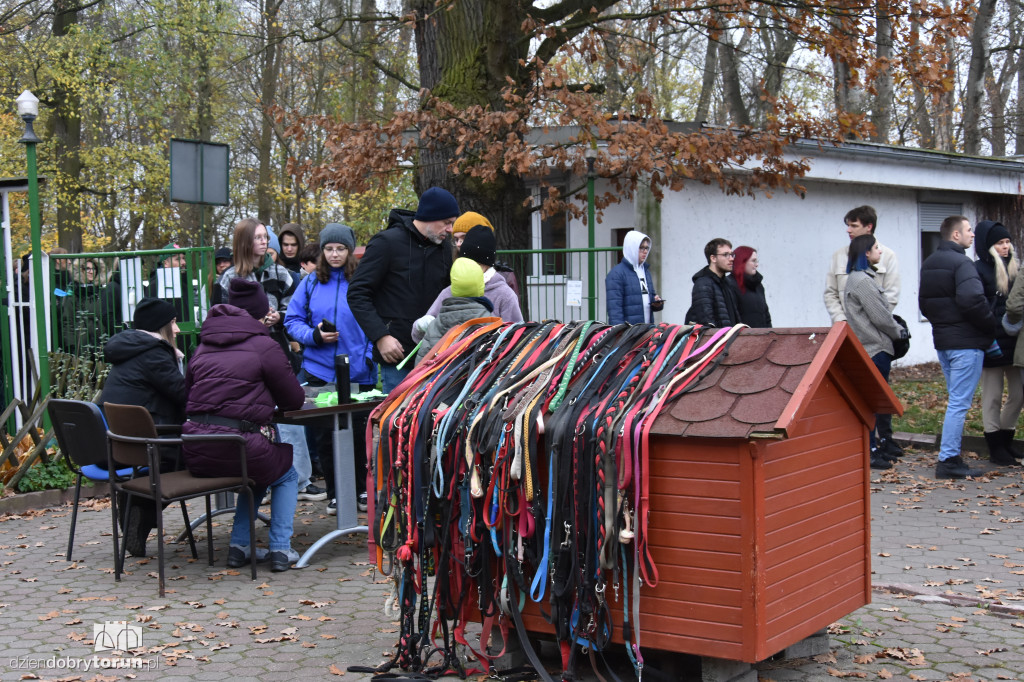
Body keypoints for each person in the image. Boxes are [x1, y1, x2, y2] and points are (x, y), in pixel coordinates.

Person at [182, 278, 306, 572]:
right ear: (262, 313)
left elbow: (188, 395)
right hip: (238, 444)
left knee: (262, 471)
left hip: (197, 447)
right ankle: (279, 549)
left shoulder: (202, 347)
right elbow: (294, 400)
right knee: (286, 474)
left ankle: (240, 546)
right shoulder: (264, 345)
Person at [285, 223, 376, 513]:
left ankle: (362, 490)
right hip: (320, 368)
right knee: (326, 434)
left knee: (359, 432)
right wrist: (313, 336)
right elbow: (292, 320)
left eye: (340, 249)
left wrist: (371, 354)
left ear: (349, 251)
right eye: (329, 249)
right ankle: (335, 492)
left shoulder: (364, 280)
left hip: (359, 369)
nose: (334, 254)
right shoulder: (311, 283)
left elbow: (379, 320)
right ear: (322, 251)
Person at [347, 186, 458, 392]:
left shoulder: (444, 249)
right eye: (446, 222)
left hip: (436, 356)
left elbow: (448, 296)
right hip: (397, 356)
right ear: (430, 215)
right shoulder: (386, 243)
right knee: (398, 422)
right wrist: (380, 337)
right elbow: (357, 293)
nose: (450, 229)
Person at [99, 297, 186, 557]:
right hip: (144, 444)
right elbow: (183, 395)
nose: (178, 329)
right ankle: (137, 507)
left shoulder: (130, 349)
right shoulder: (154, 354)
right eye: (173, 322)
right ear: (161, 327)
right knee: (194, 459)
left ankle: (135, 503)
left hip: (117, 444)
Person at [919, 215, 997, 479]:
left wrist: (945, 324)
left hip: (944, 343)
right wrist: (990, 328)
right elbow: (973, 300)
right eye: (968, 230)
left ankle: (950, 457)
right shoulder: (963, 263)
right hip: (966, 344)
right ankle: (948, 460)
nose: (972, 235)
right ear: (955, 235)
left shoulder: (929, 263)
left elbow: (924, 305)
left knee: (956, 401)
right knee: (959, 403)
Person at [843, 235, 907, 470]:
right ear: (866, 253)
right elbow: (880, 316)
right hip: (874, 348)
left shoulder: (861, 278)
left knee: (877, 401)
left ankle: (877, 446)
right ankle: (869, 450)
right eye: (876, 248)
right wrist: (899, 331)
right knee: (873, 402)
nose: (880, 251)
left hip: (872, 347)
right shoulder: (862, 281)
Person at [973, 220, 1023, 466]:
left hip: (1015, 343)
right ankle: (995, 445)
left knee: (1019, 393)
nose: (1005, 247)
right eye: (1000, 243)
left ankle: (1006, 438)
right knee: (992, 396)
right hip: (991, 342)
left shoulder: (1015, 268)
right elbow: (978, 306)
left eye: (1007, 242)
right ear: (988, 246)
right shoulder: (978, 270)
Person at [418, 224, 523, 325]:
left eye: (477, 265)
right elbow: (421, 335)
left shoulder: (504, 295)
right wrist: (424, 325)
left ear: (487, 265)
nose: (471, 269)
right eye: (467, 263)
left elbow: (517, 334)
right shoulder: (449, 291)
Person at [824, 205, 900, 323]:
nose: (848, 230)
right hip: (845, 329)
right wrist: (841, 320)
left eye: (854, 226)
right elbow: (830, 293)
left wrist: (870, 324)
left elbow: (891, 296)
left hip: (875, 331)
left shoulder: (888, 255)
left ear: (869, 227)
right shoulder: (838, 256)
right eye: (848, 225)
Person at [413, 258, 494, 364]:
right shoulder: (491, 323)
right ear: (481, 285)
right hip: (478, 379)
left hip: (441, 379)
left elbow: (422, 363)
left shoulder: (435, 325)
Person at [605, 230, 662, 324]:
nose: (645, 251)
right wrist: (620, 334)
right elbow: (615, 311)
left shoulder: (645, 271)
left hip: (646, 330)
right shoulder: (616, 274)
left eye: (647, 248)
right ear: (632, 248)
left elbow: (649, 297)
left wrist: (657, 303)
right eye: (641, 248)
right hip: (629, 334)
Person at [686, 238, 740, 327]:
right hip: (715, 340)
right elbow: (706, 324)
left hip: (730, 339)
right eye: (726, 255)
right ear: (713, 258)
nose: (731, 259)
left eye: (731, 254)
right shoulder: (703, 284)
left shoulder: (728, 283)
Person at [730, 246, 772, 327]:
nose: (756, 265)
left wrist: (770, 335)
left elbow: (766, 316)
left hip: (762, 337)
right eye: (753, 261)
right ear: (742, 261)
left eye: (757, 261)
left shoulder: (758, 286)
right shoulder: (730, 284)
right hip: (741, 337)